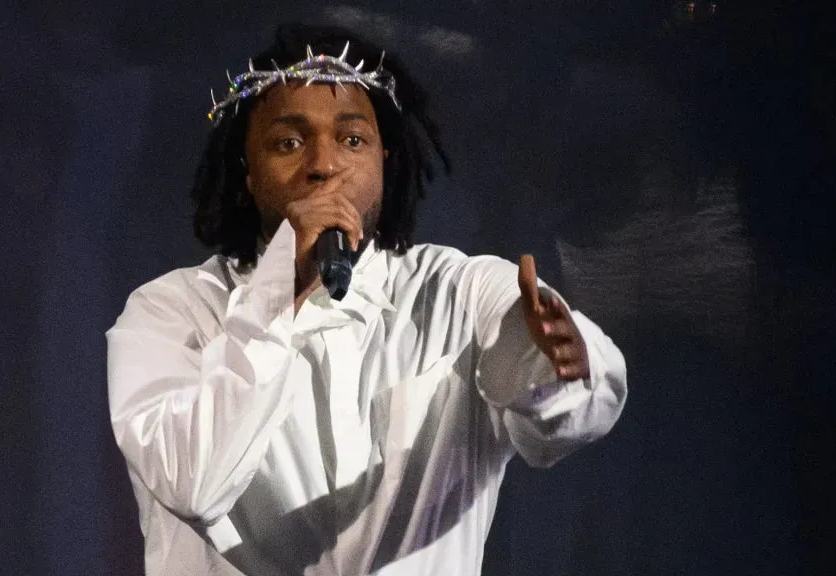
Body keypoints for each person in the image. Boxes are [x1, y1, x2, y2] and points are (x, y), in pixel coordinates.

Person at [107, 23, 627, 576]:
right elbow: (192, 482)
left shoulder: (459, 290)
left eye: (352, 140)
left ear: (385, 161)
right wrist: (280, 291)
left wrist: (554, 372)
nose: (324, 164)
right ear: (248, 176)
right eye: (288, 142)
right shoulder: (170, 312)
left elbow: (567, 416)